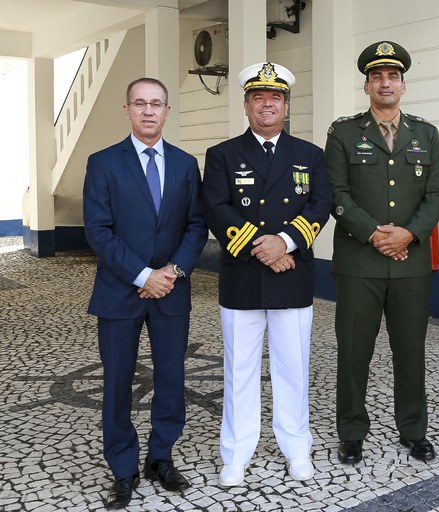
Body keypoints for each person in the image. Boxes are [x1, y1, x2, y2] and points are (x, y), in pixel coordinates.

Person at [201, 62, 331, 487]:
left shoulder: (310, 155)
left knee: (293, 368)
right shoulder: (222, 155)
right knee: (239, 371)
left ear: (287, 106)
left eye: (275, 98)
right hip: (242, 276)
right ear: (246, 105)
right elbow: (216, 208)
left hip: (292, 274)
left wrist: (287, 243)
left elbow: (319, 205)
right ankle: (236, 454)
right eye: (259, 97)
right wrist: (265, 247)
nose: (267, 104)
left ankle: (296, 447)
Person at [83, 77, 208, 509]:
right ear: (128, 110)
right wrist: (142, 275)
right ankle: (123, 467)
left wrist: (171, 272)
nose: (149, 111)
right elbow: (98, 231)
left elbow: (196, 225)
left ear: (167, 112)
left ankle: (161, 457)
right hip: (120, 292)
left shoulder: (186, 163)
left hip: (171, 291)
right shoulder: (103, 163)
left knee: (171, 378)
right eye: (140, 103)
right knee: (117, 381)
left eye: (156, 103)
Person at [324, 40, 439, 464]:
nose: (385, 82)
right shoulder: (343, 132)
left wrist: (408, 235)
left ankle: (413, 429)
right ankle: (352, 430)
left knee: (411, 350)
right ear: (366, 85)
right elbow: (336, 193)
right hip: (360, 260)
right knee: (354, 350)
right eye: (377, 76)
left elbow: (436, 194)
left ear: (403, 85)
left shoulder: (425, 134)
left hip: (410, 262)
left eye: (392, 76)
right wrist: (375, 234)